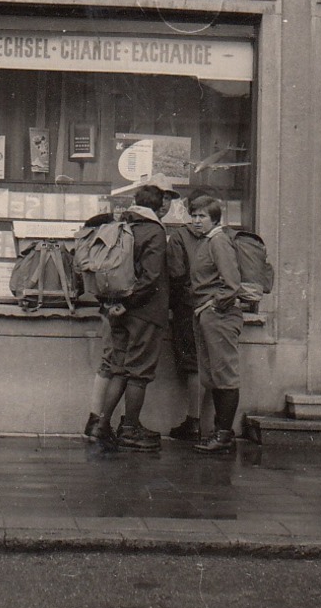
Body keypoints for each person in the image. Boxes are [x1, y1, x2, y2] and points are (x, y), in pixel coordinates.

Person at [85, 182, 171, 451]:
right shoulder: (154, 230)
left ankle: (102, 424)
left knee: (120, 368)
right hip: (144, 311)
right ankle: (131, 429)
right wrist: (131, 302)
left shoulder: (124, 225)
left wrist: (117, 303)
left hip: (118, 310)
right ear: (158, 206)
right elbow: (152, 277)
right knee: (139, 372)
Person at [188, 195, 244, 454]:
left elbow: (231, 283)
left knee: (224, 375)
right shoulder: (209, 241)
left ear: (214, 219)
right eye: (194, 215)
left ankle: (224, 434)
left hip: (219, 315)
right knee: (213, 375)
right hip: (208, 313)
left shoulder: (219, 241)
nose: (196, 221)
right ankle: (221, 433)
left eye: (202, 217)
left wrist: (213, 306)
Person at [164, 192, 211, 442]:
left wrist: (173, 305)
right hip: (214, 307)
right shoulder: (221, 236)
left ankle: (193, 421)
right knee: (209, 363)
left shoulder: (180, 236)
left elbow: (176, 273)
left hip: (188, 306)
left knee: (193, 363)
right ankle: (209, 424)